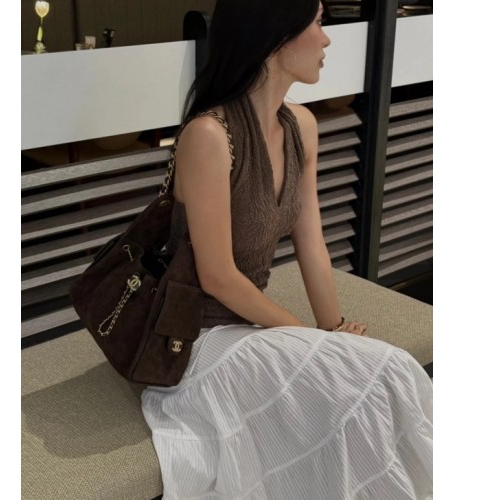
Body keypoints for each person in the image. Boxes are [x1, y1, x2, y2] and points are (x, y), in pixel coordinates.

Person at [142, 1, 433, 498]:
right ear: (276, 40)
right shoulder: (209, 135)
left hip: (252, 327)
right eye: (317, 23)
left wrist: (334, 328)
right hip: (200, 338)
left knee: (387, 371)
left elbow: (311, 240)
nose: (327, 38)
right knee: (364, 380)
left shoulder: (301, 125)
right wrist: (309, 336)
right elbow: (217, 276)